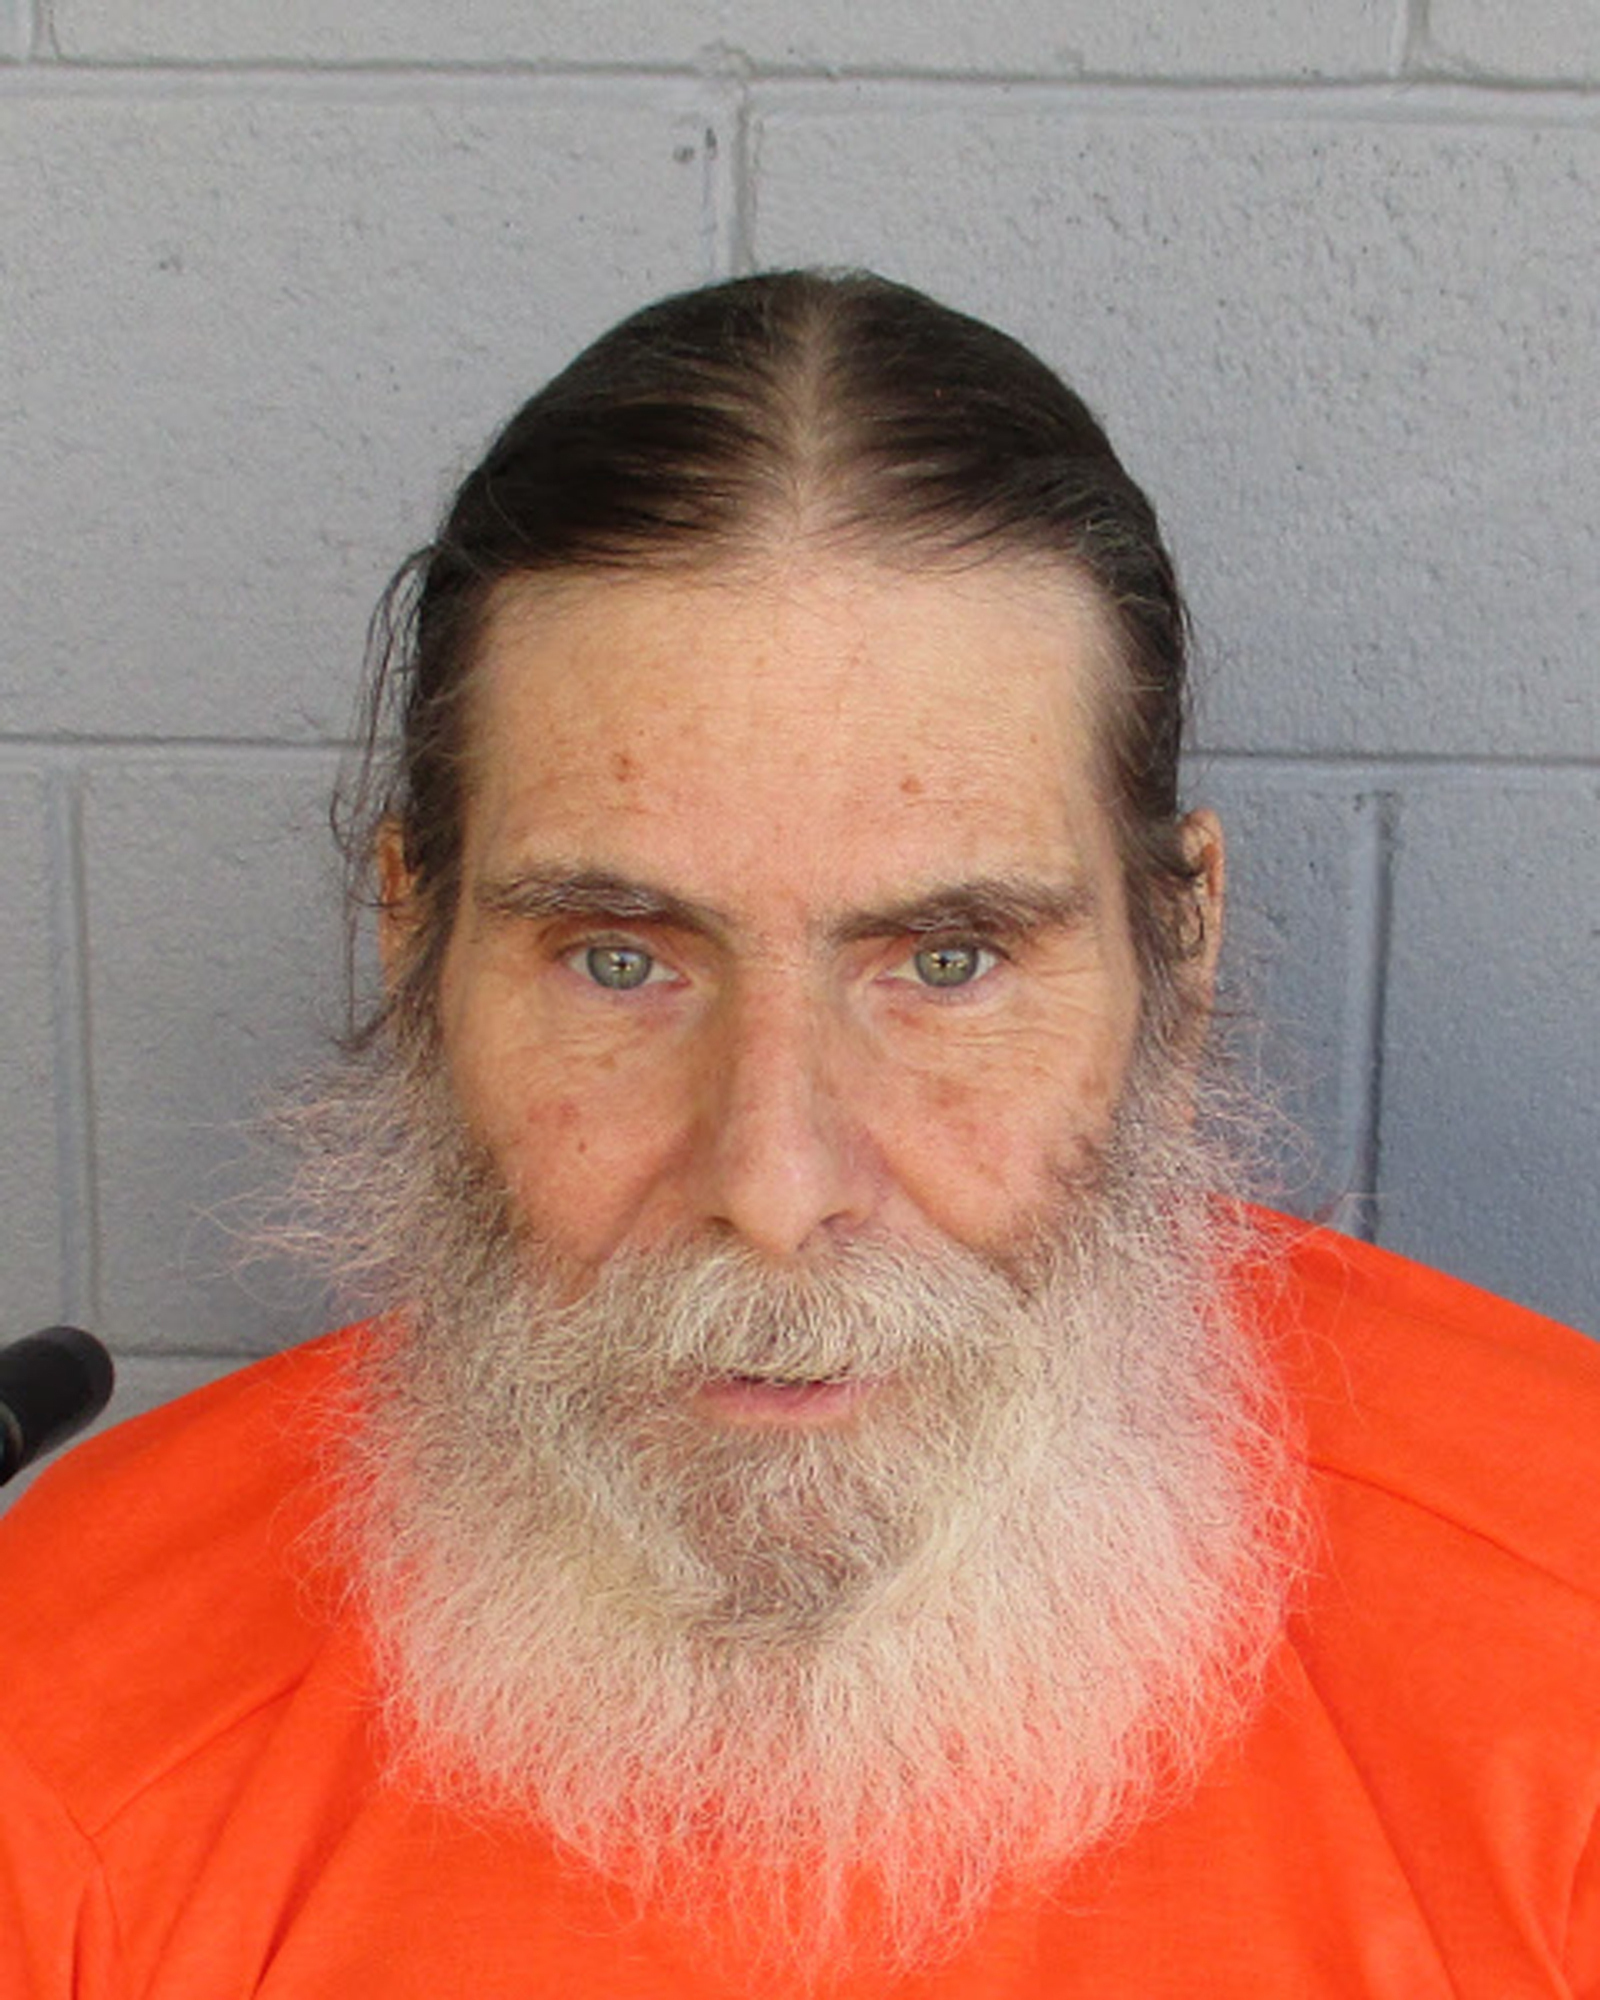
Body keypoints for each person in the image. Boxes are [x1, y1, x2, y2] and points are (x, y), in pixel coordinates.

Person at [2, 270, 1597, 2000]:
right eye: (619, 961)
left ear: (1180, 948)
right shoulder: (59, 1718)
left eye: (949, 961)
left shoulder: (1565, 1645)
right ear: (413, 944)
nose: (773, 1188)